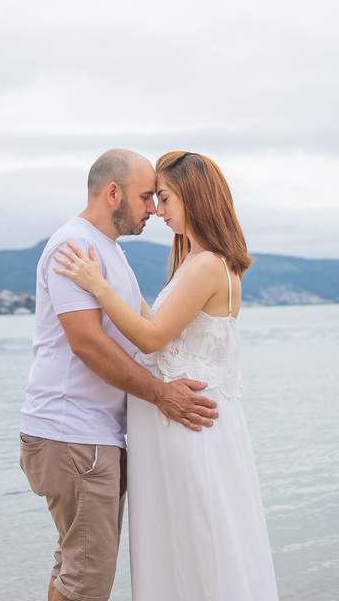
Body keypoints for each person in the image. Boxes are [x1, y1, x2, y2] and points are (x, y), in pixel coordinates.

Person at [54, 151, 279, 601]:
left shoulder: (207, 265)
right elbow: (156, 319)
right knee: (191, 540)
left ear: (194, 197)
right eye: (155, 197)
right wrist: (117, 280)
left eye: (165, 197)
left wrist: (98, 287)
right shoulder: (204, 262)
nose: (158, 210)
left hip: (186, 426)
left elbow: (154, 337)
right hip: (189, 424)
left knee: (194, 541)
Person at [19, 148, 221, 601]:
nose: (153, 208)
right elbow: (87, 343)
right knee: (87, 581)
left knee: (74, 568)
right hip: (73, 434)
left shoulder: (107, 251)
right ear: (113, 193)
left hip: (90, 435)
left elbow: (148, 332)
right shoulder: (74, 246)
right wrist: (161, 395)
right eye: (146, 196)